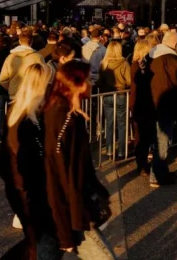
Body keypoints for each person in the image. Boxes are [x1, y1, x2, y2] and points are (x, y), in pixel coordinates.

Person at [44, 61, 116, 259]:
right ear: (77, 83)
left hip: (75, 208)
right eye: (88, 79)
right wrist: (67, 229)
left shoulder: (67, 113)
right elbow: (57, 173)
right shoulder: (62, 117)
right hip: (71, 211)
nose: (91, 84)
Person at [0, 62, 56, 259]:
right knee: (42, 241)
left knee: (38, 241)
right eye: (50, 83)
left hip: (30, 188)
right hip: (27, 190)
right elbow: (17, 160)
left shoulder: (28, 113)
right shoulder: (22, 119)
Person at [149, 30, 177, 188]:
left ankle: (160, 171)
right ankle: (157, 175)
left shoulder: (151, 54)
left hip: (152, 102)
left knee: (158, 139)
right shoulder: (170, 58)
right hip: (165, 103)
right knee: (163, 140)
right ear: (175, 44)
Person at [99, 41, 131, 159]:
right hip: (121, 94)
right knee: (122, 124)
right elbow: (129, 81)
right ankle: (122, 151)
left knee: (109, 123)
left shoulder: (104, 63)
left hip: (107, 95)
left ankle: (109, 150)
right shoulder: (124, 63)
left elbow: (99, 81)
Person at [129, 40, 155, 176]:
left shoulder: (143, 65)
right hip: (140, 103)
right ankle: (141, 163)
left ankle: (143, 161)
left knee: (145, 134)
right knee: (141, 134)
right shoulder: (136, 66)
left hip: (144, 103)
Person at [0, 31, 45, 102]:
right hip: (32, 96)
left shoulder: (10, 57)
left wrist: (11, 87)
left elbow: (2, 79)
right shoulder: (38, 58)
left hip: (14, 96)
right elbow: (43, 78)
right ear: (31, 41)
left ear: (19, 41)